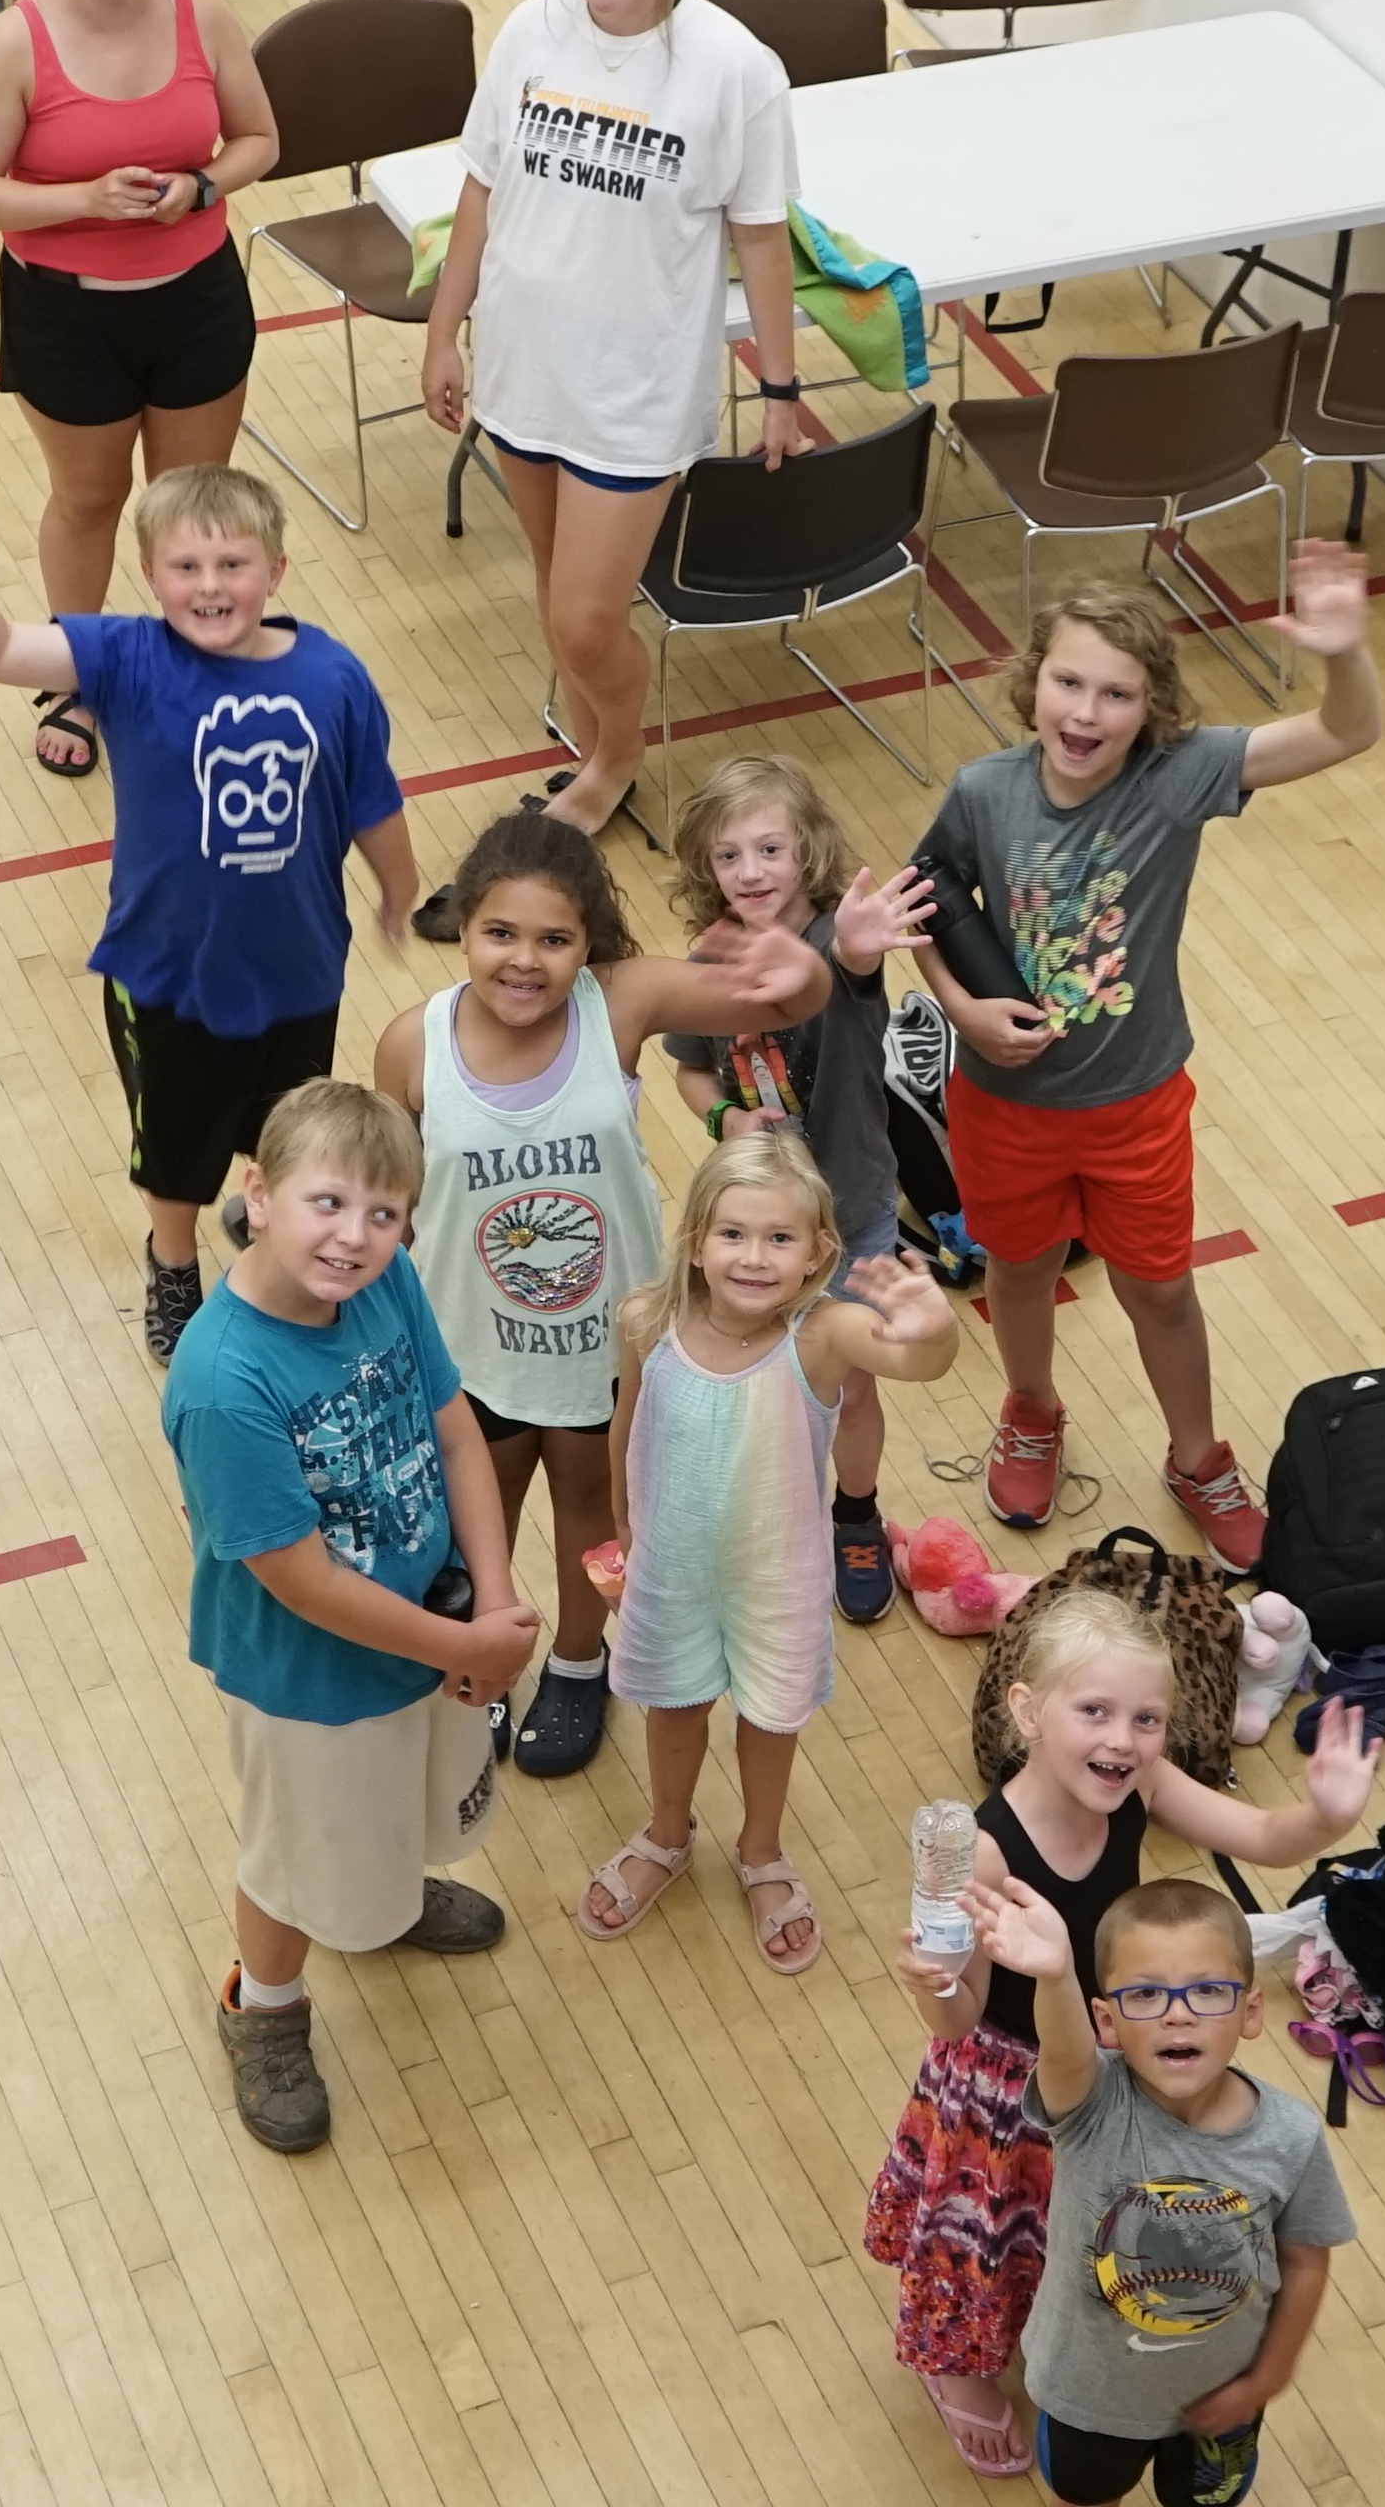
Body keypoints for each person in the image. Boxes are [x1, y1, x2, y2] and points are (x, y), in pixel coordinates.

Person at [907, 547, 1385, 1570]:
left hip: (1136, 1108)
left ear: (1152, 706)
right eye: (1068, 681)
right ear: (1032, 678)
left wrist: (1345, 655)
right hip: (1003, 1105)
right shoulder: (982, 793)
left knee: (1162, 1289)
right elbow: (925, 911)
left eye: (1116, 692)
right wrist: (962, 1011)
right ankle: (1030, 1407)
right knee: (1020, 1270)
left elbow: (1351, 729)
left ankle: (1197, 1454)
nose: (1085, 711)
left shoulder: (1180, 778)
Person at [865, 1591, 1382, 2480]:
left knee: (1074, 2224)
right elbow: (957, 2022)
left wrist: (1326, 1818)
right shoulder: (988, 1850)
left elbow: (1261, 1834)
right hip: (1005, 2078)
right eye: (1094, 1711)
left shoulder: (1139, 1783)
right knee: (988, 2229)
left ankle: (1049, 2325)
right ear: (1027, 1711)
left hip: (1112, 2051)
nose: (1123, 1739)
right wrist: (937, 1980)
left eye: (1147, 1718)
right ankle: (960, 2365)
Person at [0, 464, 418, 1358]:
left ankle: (268, 1214)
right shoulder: (126, 656)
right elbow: (0, 652)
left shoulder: (335, 678)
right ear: (149, 576)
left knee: (289, 1124)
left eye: (233, 564)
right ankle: (174, 1260)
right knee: (177, 1148)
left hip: (300, 968)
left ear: (278, 570)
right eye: (187, 567)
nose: (211, 586)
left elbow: (370, 799)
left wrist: (399, 886)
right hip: (165, 976)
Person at [374, 812, 832, 1779]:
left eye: (555, 938)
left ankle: (579, 1663)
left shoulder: (619, 1002)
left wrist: (815, 965)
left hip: (607, 1343)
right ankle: (485, 1661)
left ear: (591, 944)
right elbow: (393, 1203)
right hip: (469, 1345)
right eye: (502, 933)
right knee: (477, 1515)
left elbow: (789, 999)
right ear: (463, 926)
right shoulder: (409, 1045)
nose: (526, 961)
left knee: (593, 1504)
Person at [406, 0, 809, 925]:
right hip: (524, 372)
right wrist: (445, 327)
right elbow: (482, 189)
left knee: (586, 619)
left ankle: (614, 760)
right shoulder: (529, 34)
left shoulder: (735, 68)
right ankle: (596, 756)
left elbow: (762, 235)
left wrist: (778, 383)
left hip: (635, 396)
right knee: (557, 595)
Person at [167, 1081, 540, 2155]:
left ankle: (378, 1889)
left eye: (384, 1214)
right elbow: (304, 1581)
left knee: (397, 1801)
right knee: (289, 1859)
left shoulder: (388, 1288)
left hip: (429, 1637)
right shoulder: (224, 1379)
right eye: (327, 1202)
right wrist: (467, 1646)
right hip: (307, 1681)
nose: (356, 1236)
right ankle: (267, 2008)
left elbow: (457, 1434)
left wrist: (498, 1596)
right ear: (259, 1192)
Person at [574, 1134, 960, 1969]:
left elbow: (919, 1359)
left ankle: (760, 1850)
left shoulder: (825, 1336)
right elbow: (624, 1432)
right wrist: (626, 1539)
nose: (754, 1257)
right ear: (695, 1241)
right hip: (669, 1571)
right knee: (671, 1708)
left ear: (819, 1250)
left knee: (769, 1717)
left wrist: (935, 1328)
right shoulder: (647, 1321)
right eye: (733, 1234)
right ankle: (667, 1834)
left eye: (780, 1239)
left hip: (777, 1582)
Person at [0, 0, 279, 781]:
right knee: (89, 502)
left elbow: (257, 140)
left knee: (194, 510)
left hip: (198, 300)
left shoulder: (204, 14)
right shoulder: (13, 42)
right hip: (67, 315)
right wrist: (82, 201)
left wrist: (203, 187)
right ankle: (78, 678)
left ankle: (192, 666)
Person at [965, 1873, 1356, 2506]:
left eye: (1208, 1990)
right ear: (1107, 2020)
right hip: (1087, 2396)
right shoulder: (1091, 2102)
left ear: (1251, 2011)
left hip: (1224, 2397)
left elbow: (1306, 2261)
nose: (1178, 2012)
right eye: (1145, 1994)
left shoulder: (1291, 2136)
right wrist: (1055, 1975)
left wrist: (1269, 2375)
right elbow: (1064, 2052)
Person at [660, 756, 933, 1619]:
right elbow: (692, 1075)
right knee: (752, 1386)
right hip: (746, 1233)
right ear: (705, 867)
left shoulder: (831, 946)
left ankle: (854, 1514)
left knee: (852, 1386)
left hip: (848, 1222)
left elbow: (852, 966)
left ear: (808, 849)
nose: (751, 872)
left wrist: (856, 945)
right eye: (729, 855)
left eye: (770, 848)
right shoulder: (707, 964)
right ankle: (765, 1524)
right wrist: (721, 1123)